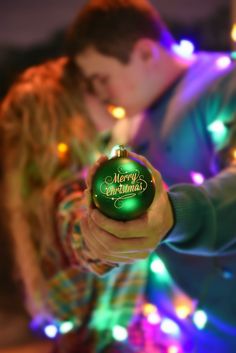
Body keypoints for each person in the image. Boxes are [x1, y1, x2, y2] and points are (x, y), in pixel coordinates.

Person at [65, 0, 236, 351]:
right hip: (180, 335)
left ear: (145, 52)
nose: (100, 93)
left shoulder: (223, 82)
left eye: (102, 78)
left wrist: (172, 215)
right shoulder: (130, 123)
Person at [0, 57, 151, 353]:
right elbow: (85, 237)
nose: (103, 92)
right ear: (68, 113)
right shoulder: (70, 192)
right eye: (90, 88)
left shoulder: (45, 191)